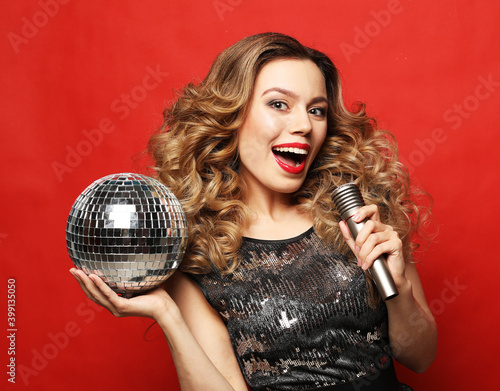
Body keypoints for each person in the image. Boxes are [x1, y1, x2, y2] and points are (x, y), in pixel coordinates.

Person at [70, 32, 437, 391]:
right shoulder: (197, 250)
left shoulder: (358, 216)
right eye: (279, 104)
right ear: (233, 114)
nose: (304, 125)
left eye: (316, 110)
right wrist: (168, 315)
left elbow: (420, 357)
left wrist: (399, 289)